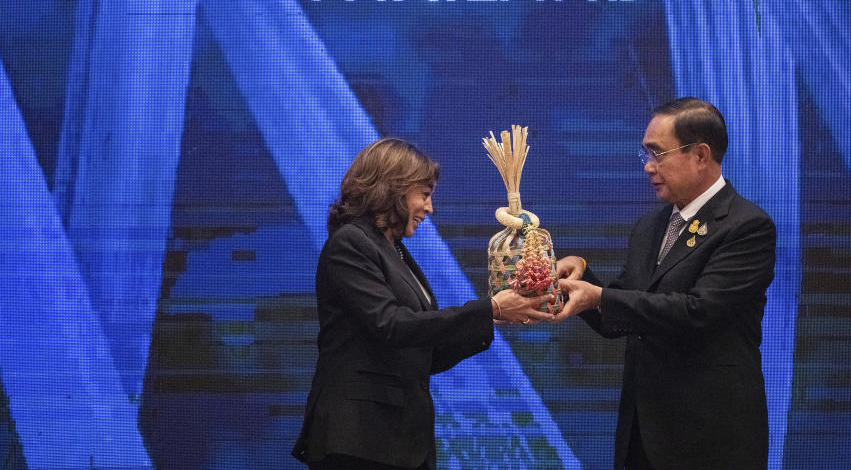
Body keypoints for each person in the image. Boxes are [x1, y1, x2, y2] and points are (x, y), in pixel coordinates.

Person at [292, 138, 553, 470]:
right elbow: (392, 325)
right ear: (394, 190)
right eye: (425, 195)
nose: (430, 208)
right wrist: (490, 308)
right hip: (359, 438)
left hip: (396, 440)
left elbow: (422, 352)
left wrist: (493, 318)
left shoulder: (394, 251)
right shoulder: (351, 243)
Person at [554, 98, 776, 470]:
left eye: (658, 154)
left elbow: (698, 311)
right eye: (645, 155)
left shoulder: (746, 226)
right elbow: (621, 315)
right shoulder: (650, 227)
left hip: (711, 438)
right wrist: (578, 281)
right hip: (644, 435)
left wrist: (601, 297)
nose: (649, 168)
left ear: (701, 155)